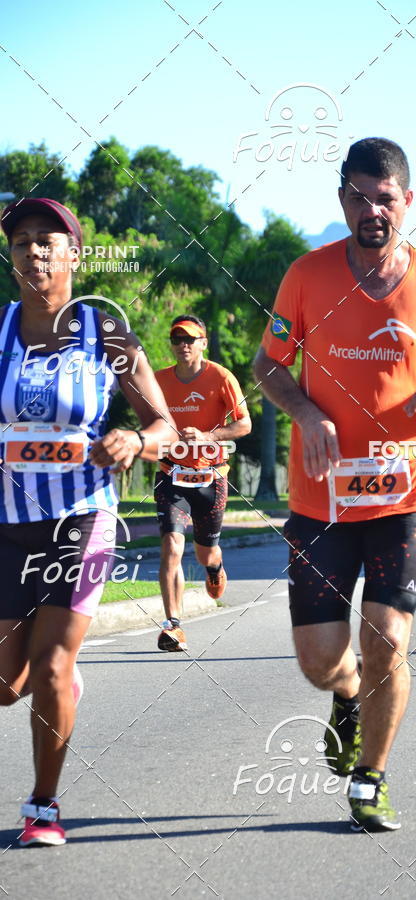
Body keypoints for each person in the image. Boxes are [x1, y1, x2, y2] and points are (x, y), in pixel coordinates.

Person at [253, 138, 416, 832]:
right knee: (319, 660)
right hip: (321, 499)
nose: (371, 210)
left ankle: (371, 779)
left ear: (407, 202)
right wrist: (304, 412)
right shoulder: (306, 277)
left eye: (384, 198)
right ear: (342, 200)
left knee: (388, 636)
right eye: (358, 196)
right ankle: (346, 695)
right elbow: (266, 366)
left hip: (404, 496)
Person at [0, 197, 177, 846]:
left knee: (46, 670)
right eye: (21, 240)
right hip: (9, 523)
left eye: (50, 240)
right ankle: (63, 676)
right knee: (6, 685)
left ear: (76, 255)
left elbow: (165, 426)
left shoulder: (107, 336)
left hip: (81, 518)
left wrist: (135, 439)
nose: (35, 250)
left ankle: (43, 807)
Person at [153, 315, 251, 651]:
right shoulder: (158, 381)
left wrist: (208, 435)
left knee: (205, 551)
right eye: (177, 339)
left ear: (203, 342)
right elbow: (149, 421)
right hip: (171, 475)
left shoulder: (221, 377)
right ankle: (173, 625)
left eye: (190, 339)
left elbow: (244, 424)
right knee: (172, 547)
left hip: (212, 477)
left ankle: (214, 569)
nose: (183, 345)